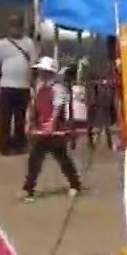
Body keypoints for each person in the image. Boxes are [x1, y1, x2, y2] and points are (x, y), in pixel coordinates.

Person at [21, 58, 83, 202]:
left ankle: (75, 184)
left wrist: (51, 125)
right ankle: (28, 188)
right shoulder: (38, 87)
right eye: (41, 71)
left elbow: (57, 109)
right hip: (41, 129)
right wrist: (29, 122)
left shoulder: (58, 89)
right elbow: (33, 106)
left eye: (44, 71)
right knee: (34, 159)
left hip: (55, 131)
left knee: (63, 159)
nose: (42, 74)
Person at [0, 14, 37, 155]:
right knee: (5, 119)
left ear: (22, 27)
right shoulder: (0, 45)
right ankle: (4, 147)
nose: (15, 29)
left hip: (23, 87)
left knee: (20, 118)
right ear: (9, 27)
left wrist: (34, 86)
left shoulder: (29, 43)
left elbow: (33, 65)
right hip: (6, 87)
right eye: (13, 26)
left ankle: (19, 145)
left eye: (18, 26)